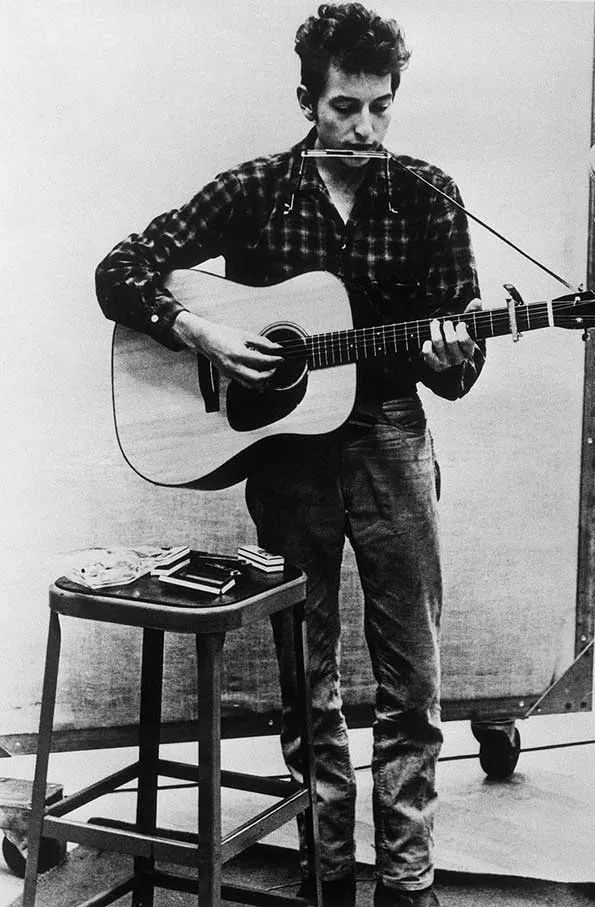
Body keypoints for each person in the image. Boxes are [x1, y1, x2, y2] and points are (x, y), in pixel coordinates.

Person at [96, 4, 485, 905]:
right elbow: (119, 269)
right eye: (345, 107)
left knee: (412, 678)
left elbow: (458, 360)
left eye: (382, 107)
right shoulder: (255, 188)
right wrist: (202, 334)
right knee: (306, 680)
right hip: (289, 462)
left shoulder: (428, 192)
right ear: (308, 98)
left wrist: (453, 356)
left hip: (390, 440)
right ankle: (326, 869)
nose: (365, 129)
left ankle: (407, 876)